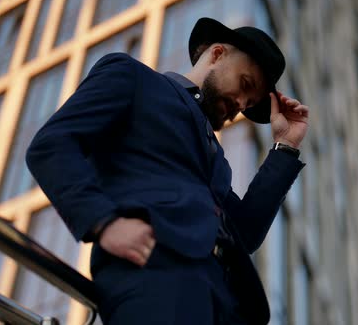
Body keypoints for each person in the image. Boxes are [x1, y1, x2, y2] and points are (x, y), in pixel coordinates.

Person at [26, 17, 309, 324]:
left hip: (224, 302)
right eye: (245, 85)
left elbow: (245, 233)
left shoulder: (217, 158)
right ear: (217, 54)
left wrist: (285, 146)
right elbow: (52, 145)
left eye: (248, 103)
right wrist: (102, 222)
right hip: (157, 279)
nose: (240, 104)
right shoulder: (133, 77)